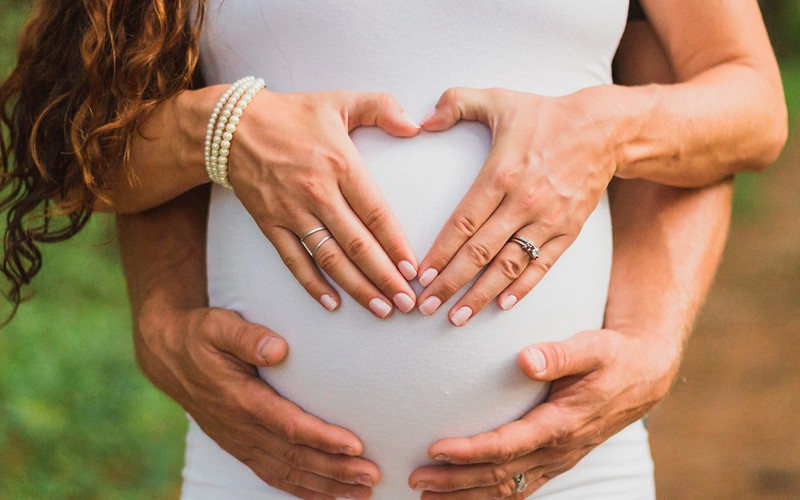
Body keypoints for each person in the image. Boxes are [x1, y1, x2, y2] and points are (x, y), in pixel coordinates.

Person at [0, 1, 786, 498]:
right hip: (261, 472)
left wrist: (608, 129)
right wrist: (219, 131)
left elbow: (745, 105)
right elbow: (78, 144)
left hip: (568, 476)